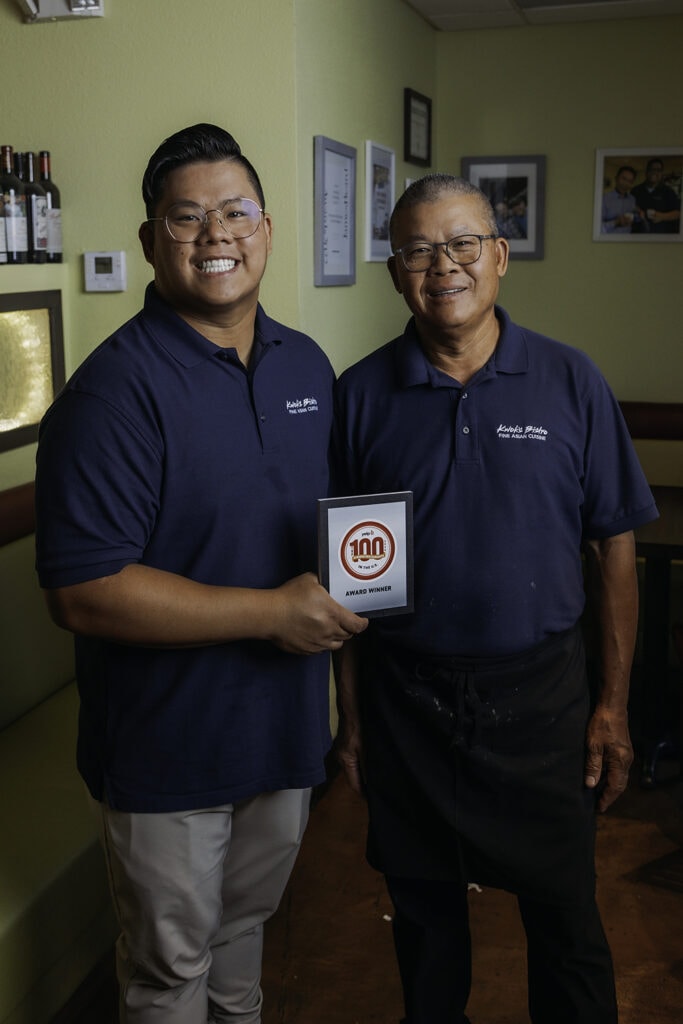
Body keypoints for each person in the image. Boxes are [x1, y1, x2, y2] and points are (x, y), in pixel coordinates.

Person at [34, 123, 367, 1024]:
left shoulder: (306, 366)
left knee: (242, 944)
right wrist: (269, 614)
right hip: (167, 748)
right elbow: (83, 589)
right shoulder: (113, 394)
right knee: (168, 975)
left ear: (266, 227)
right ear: (150, 240)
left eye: (235, 212)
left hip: (284, 735)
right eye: (187, 219)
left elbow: (333, 557)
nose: (216, 235)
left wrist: (348, 708)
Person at [332, 173, 658, 1024]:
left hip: (543, 703)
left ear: (499, 256)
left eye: (462, 244)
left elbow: (614, 547)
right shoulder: (359, 397)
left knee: (568, 933)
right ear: (393, 271)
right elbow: (351, 579)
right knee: (427, 940)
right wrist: (354, 717)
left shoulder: (569, 380)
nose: (442, 266)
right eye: (416, 249)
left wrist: (613, 706)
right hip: (408, 705)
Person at [630, 156, 681, 234]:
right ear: (646, 172)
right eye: (651, 169)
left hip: (660, 236)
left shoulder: (668, 191)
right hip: (637, 235)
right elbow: (627, 209)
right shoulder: (635, 190)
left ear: (661, 173)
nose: (654, 172)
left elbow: (678, 213)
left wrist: (662, 216)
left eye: (658, 170)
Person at [600, 165, 638, 233]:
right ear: (616, 178)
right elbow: (597, 228)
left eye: (630, 181)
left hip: (627, 241)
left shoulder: (632, 199)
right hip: (608, 242)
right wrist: (616, 223)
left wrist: (638, 216)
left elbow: (633, 220)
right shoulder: (604, 199)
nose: (626, 183)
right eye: (624, 179)